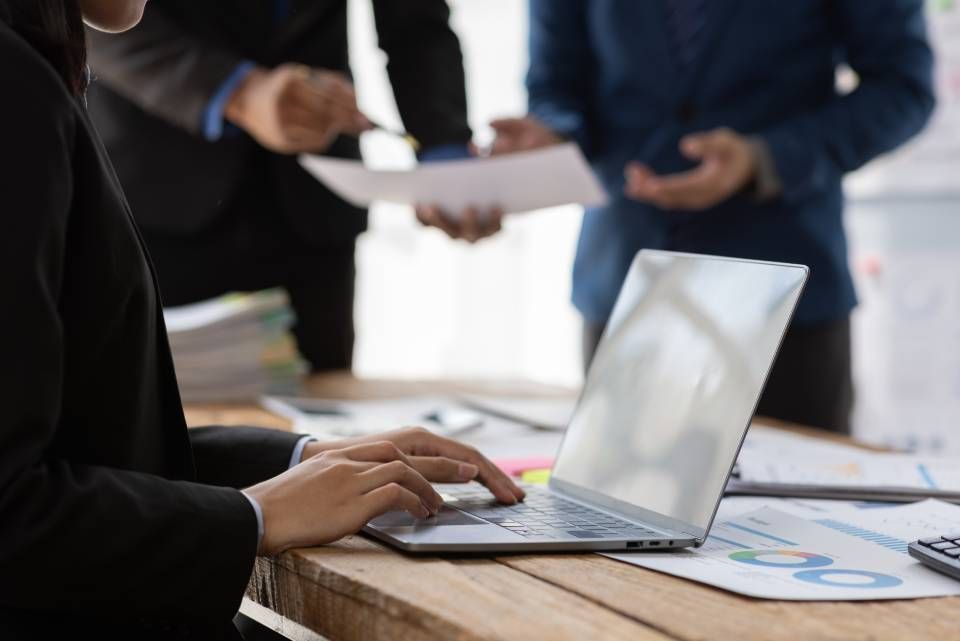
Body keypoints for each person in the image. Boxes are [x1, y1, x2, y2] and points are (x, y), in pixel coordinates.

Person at [0, 3, 524, 638]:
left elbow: (88, 449)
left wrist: (303, 461)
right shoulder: (17, 92)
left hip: (306, 215)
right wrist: (254, 515)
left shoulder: (31, 75)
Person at [439, 0, 937, 434]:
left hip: (784, 294)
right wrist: (553, 136)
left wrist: (766, 158)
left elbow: (903, 87)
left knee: (800, 532)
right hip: (625, 283)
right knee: (606, 530)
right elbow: (556, 87)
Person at [82, 0, 487, 372]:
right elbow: (85, 11)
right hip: (153, 191)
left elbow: (416, 21)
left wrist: (443, 154)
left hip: (313, 206)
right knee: (150, 417)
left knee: (330, 425)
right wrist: (237, 91)